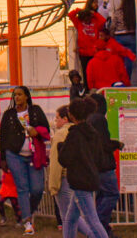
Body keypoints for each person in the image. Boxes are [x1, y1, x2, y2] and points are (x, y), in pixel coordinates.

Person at [0, 86, 49, 235]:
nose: (17, 97)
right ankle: (27, 222)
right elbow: (4, 136)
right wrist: (3, 159)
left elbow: (45, 128)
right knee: (22, 189)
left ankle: (29, 212)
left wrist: (36, 131)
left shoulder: (36, 111)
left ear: (27, 96)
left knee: (37, 189)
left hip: (34, 155)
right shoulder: (9, 114)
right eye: (15, 95)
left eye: (20, 94)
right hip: (14, 154)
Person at [56, 98, 108, 238]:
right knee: (70, 219)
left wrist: (60, 147)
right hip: (91, 179)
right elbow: (100, 159)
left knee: (92, 221)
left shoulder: (74, 135)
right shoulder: (93, 133)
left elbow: (64, 159)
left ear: (72, 115)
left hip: (79, 182)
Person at [86, 94, 120, 236]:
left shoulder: (88, 119)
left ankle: (103, 230)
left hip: (94, 165)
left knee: (101, 197)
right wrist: (116, 144)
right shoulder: (99, 119)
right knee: (112, 194)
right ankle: (98, 225)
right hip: (103, 164)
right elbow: (103, 143)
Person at [68, 5, 107, 85]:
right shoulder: (79, 22)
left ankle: (95, 87)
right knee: (85, 73)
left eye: (88, 18)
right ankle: (87, 88)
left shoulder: (95, 22)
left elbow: (103, 21)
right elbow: (70, 15)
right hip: (83, 53)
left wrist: (94, 13)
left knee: (95, 72)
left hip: (94, 53)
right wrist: (79, 10)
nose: (87, 20)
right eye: (85, 19)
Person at [47, 105, 71, 232]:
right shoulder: (79, 131)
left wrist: (53, 185)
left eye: (57, 118)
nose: (55, 121)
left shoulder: (60, 135)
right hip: (79, 178)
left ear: (65, 119)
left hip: (64, 178)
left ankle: (93, 234)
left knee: (67, 216)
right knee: (76, 215)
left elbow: (57, 163)